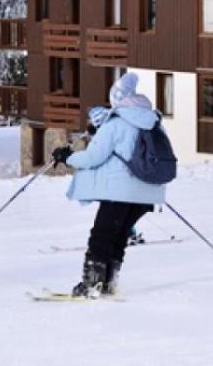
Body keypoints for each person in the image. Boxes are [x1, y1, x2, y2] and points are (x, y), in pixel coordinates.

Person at [51, 73, 167, 298]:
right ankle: (109, 283)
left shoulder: (115, 124)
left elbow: (93, 157)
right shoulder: (153, 121)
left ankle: (92, 284)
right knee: (120, 234)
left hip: (120, 192)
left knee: (102, 235)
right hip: (147, 192)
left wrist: (67, 157)